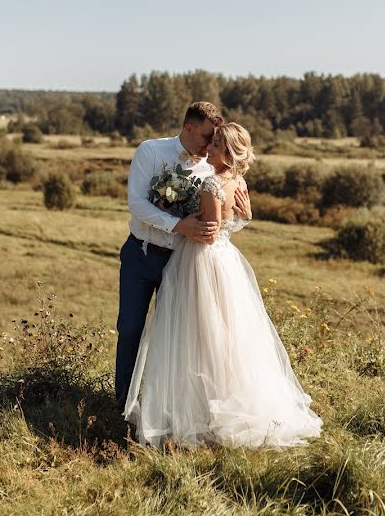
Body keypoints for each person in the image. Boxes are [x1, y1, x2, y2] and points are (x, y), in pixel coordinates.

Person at [123, 123, 323, 447]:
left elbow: (211, 231)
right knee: (224, 337)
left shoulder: (212, 184)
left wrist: (176, 209)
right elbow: (235, 221)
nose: (209, 150)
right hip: (225, 261)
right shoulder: (237, 180)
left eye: (216, 146)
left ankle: (200, 414)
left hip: (202, 261)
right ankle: (212, 405)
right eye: (211, 143)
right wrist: (238, 217)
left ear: (228, 154)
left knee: (198, 338)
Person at [115, 102, 251, 411]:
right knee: (131, 328)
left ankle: (165, 405)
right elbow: (136, 203)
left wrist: (244, 218)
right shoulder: (150, 151)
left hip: (183, 264)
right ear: (188, 128)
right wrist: (178, 223)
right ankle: (123, 402)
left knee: (177, 338)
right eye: (206, 137)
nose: (208, 146)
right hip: (141, 253)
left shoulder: (214, 167)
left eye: (214, 139)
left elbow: (219, 228)